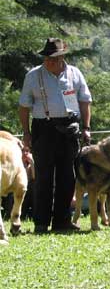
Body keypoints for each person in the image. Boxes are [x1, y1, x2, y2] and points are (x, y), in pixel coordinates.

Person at [18, 38, 92, 233]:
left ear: (61, 57)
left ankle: (62, 221)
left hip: (69, 129)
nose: (48, 62)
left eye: (53, 58)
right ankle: (41, 223)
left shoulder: (74, 74)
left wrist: (86, 127)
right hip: (44, 129)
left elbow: (85, 101)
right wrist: (26, 133)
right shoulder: (33, 76)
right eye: (46, 58)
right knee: (43, 177)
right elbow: (24, 107)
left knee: (67, 177)